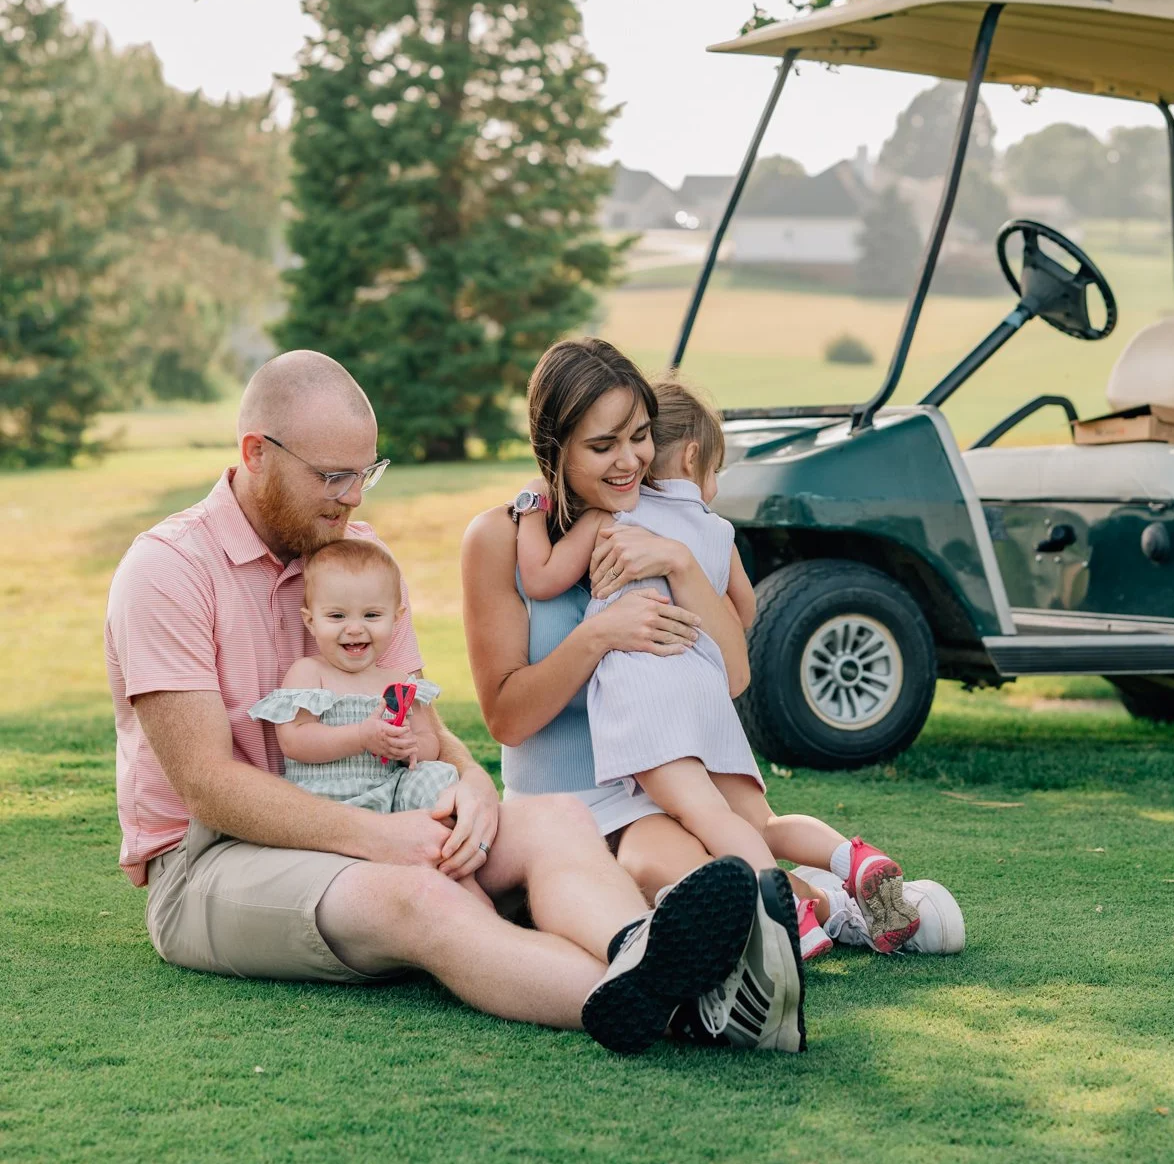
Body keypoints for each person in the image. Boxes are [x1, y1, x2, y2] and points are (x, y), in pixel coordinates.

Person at [104, 348, 803, 1056]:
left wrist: (470, 785)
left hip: (383, 807)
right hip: (217, 860)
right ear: (256, 453)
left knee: (558, 818)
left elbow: (422, 724)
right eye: (333, 477)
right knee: (422, 894)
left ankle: (639, 946)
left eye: (365, 474)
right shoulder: (167, 572)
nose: (353, 498)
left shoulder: (359, 554)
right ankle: (695, 1010)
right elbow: (209, 787)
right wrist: (380, 840)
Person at [462, 340, 963, 991]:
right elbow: (506, 718)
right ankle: (833, 907)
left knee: (733, 830)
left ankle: (839, 903)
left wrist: (677, 563)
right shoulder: (501, 536)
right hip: (577, 801)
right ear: (553, 449)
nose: (629, 461)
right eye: (602, 445)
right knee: (668, 866)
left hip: (669, 764)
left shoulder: (666, 518)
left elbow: (733, 676)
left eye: (640, 436)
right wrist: (600, 637)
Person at [248, 535, 456, 819]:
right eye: (337, 616)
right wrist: (360, 737)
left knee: (439, 776)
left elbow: (428, 738)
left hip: (389, 793)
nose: (355, 628)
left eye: (371, 615)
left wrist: (410, 745)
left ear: (396, 618)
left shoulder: (399, 681)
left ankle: (444, 841)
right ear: (311, 621)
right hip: (324, 802)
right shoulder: (309, 672)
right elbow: (294, 741)